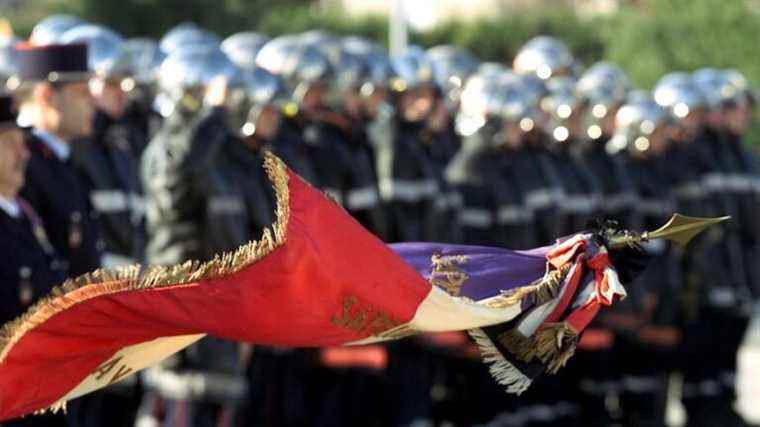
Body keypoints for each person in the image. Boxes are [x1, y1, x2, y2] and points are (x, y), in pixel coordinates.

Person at [0, 94, 69, 427]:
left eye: (22, 142)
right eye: (10, 143)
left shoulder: (25, 216)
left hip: (39, 395)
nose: (23, 154)